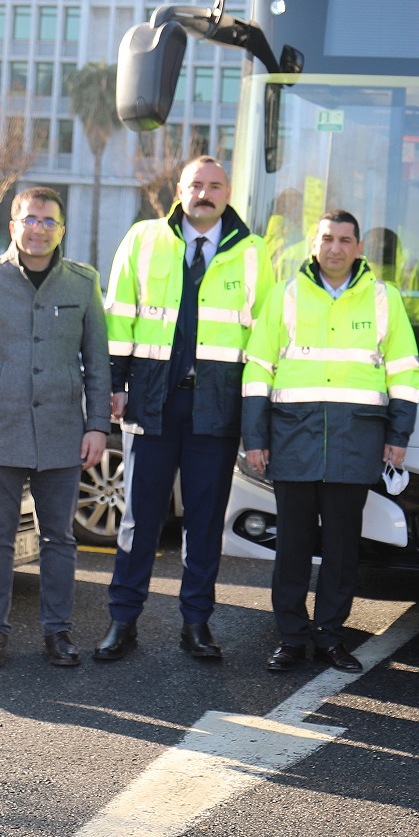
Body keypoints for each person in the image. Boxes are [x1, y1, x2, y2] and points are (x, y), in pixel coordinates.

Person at [100, 156, 268, 663]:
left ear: (228, 193)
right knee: (139, 518)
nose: (205, 193)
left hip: (216, 406)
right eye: (196, 184)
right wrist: (113, 383)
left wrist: (253, 413)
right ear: (179, 189)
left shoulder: (255, 253)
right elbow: (118, 315)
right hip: (152, 400)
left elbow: (262, 342)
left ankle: (196, 624)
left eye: (215, 185)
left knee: (204, 519)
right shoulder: (143, 238)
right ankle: (121, 622)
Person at [242, 210, 419, 673]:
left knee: (342, 549)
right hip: (293, 440)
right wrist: (255, 437)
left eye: (345, 240)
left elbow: (405, 371)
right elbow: (258, 369)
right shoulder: (284, 295)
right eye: (328, 238)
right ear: (314, 243)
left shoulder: (385, 298)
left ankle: (330, 638)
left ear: (359, 248)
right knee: (292, 549)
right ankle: (290, 638)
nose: (336, 247)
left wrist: (399, 435)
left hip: (355, 440)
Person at [0, 186, 110, 670]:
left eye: (48, 222)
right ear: (13, 225)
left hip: (63, 431)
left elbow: (97, 362)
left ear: (61, 230)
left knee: (59, 539)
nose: (38, 229)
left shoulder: (82, 283)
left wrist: (97, 426)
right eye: (30, 219)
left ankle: (58, 633)